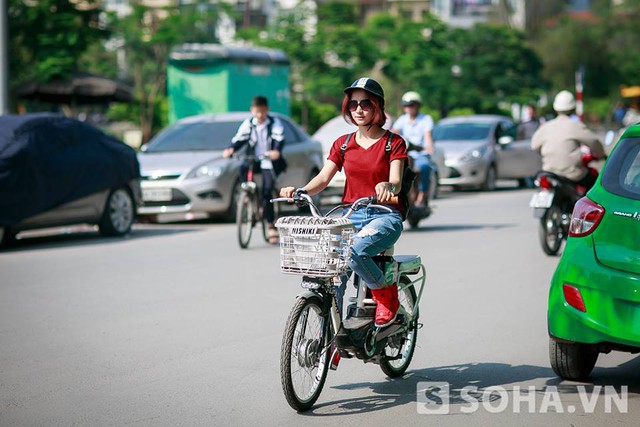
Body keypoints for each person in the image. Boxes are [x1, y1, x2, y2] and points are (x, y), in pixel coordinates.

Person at [280, 77, 408, 327]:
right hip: (350, 216)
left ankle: (386, 295)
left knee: (353, 251)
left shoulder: (393, 142)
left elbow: (396, 182)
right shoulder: (344, 143)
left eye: (366, 104)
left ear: (378, 107)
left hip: (384, 215)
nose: (358, 109)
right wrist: (300, 191)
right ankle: (331, 335)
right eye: (353, 104)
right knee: (331, 273)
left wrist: (386, 186)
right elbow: (323, 177)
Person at [223, 96, 286, 244]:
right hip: (253, 158)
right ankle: (246, 194)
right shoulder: (249, 124)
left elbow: (279, 139)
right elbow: (239, 139)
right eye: (257, 112)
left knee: (267, 190)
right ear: (252, 111)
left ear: (267, 110)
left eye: (262, 112)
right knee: (243, 167)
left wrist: (276, 151)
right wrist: (230, 149)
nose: (260, 115)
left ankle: (270, 225)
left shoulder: (274, 123)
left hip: (268, 160)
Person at [531, 90, 605, 190]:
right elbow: (594, 142)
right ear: (573, 108)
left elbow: (534, 145)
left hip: (549, 172)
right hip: (572, 174)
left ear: (555, 108)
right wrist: (601, 155)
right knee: (594, 184)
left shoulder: (546, 126)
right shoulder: (575, 125)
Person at [391, 91, 434, 210]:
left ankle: (422, 194)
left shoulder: (426, 119)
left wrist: (429, 147)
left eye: (411, 105)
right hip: (406, 154)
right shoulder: (402, 119)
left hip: (420, 153)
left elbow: (427, 136)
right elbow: (393, 133)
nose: (408, 108)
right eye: (406, 105)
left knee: (425, 167)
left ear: (418, 105)